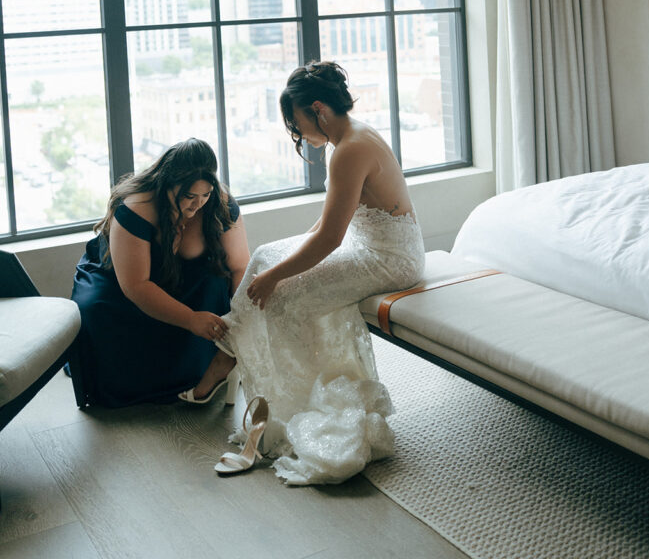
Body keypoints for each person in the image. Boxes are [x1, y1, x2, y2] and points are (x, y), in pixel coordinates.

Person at [202, 61, 425, 485]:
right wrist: (277, 263)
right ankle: (232, 353)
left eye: (298, 123)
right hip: (368, 243)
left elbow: (330, 239)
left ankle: (278, 399)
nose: (300, 134)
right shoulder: (348, 139)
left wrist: (275, 279)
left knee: (283, 295)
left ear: (318, 109)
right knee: (267, 254)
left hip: (389, 258)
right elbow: (326, 225)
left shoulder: (351, 149)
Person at [70, 138, 250, 407]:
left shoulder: (218, 204)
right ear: (169, 185)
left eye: (205, 195)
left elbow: (239, 267)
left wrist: (241, 318)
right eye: (189, 196)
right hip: (119, 277)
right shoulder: (136, 208)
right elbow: (136, 285)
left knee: (214, 286)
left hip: (182, 274)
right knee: (96, 311)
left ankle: (208, 372)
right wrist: (190, 319)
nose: (196, 205)